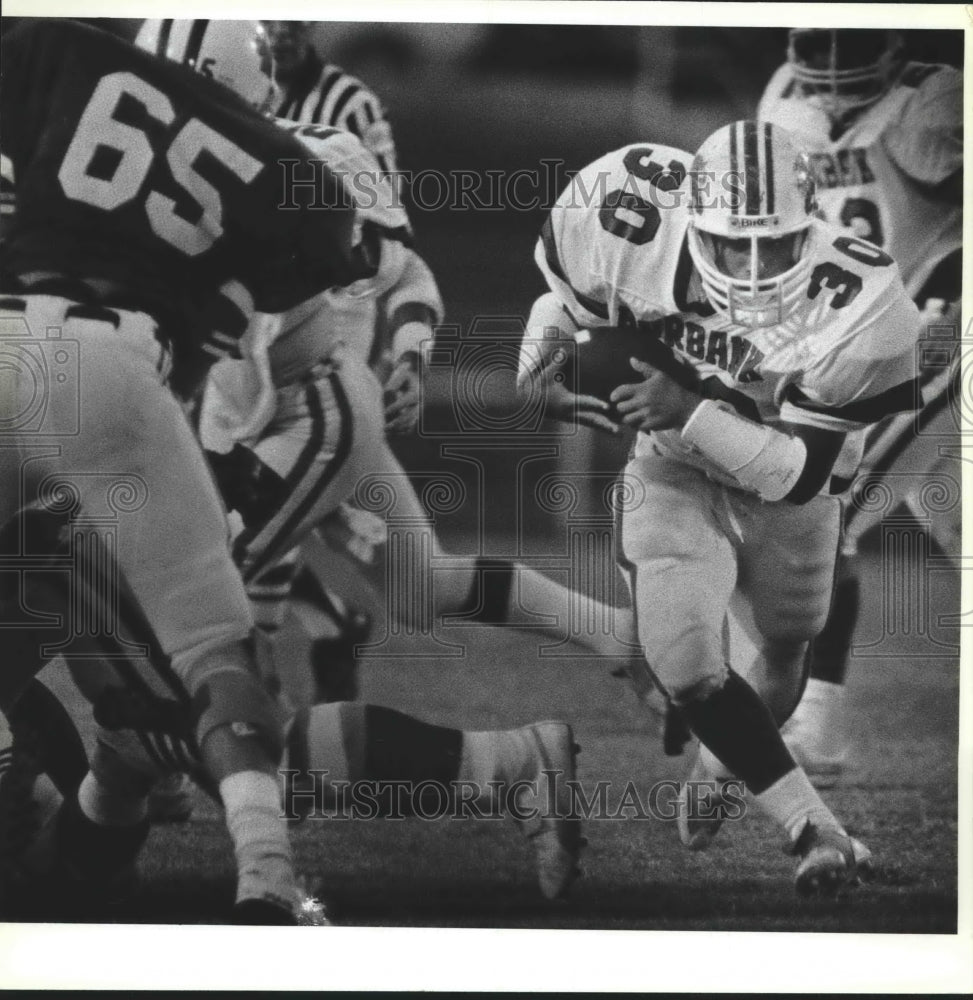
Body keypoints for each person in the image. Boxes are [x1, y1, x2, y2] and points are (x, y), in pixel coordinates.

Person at [0, 17, 362, 923]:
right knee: (207, 665)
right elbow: (313, 305)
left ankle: (57, 816)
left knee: (101, 685)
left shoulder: (51, 68)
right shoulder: (271, 173)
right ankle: (267, 874)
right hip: (114, 394)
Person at [519, 121, 923, 894]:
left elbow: (796, 474)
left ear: (810, 227)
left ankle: (721, 761)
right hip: (671, 471)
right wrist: (532, 367)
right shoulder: (625, 215)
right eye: (732, 244)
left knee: (780, 656)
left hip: (793, 493)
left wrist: (687, 407)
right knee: (686, 662)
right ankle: (815, 829)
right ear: (691, 225)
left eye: (774, 244)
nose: (752, 265)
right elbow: (559, 306)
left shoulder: (865, 301)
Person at [757, 28, 963, 783]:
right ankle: (816, 722)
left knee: (823, 507)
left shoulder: (935, 97)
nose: (836, 64)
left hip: (936, 338)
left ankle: (817, 726)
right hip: (856, 345)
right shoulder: (782, 97)